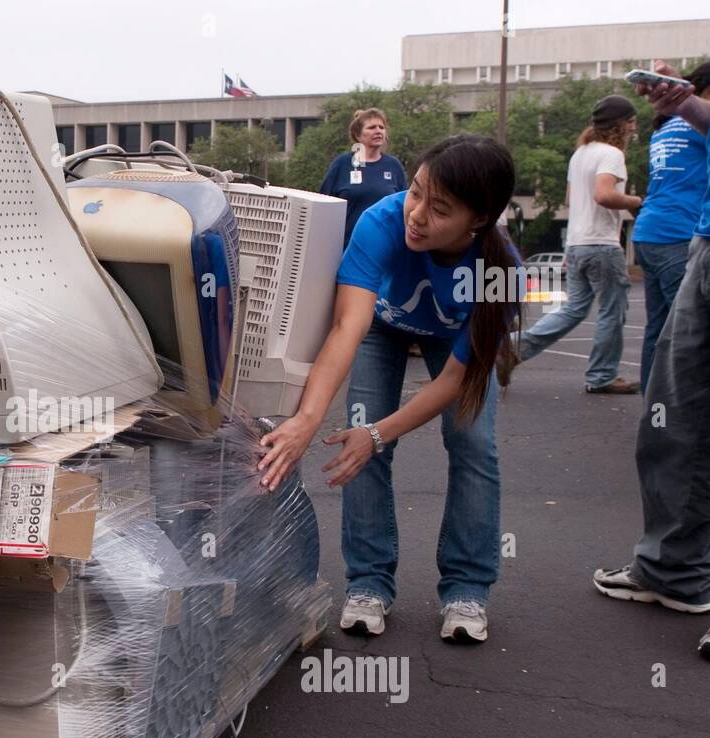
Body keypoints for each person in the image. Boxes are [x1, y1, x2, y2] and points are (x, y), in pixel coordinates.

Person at [260, 134, 521, 645]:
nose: (417, 215)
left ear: (479, 219)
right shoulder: (382, 220)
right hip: (384, 325)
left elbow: (452, 383)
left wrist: (378, 434)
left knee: (473, 445)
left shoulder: (500, 271)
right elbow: (347, 329)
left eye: (439, 208)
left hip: (456, 338)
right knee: (356, 438)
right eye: (417, 192)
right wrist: (308, 421)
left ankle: (467, 587)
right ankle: (368, 582)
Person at [593, 61, 710, 656]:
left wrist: (687, 104)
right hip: (701, 245)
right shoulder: (677, 128)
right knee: (672, 415)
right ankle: (673, 572)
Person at [510, 95, 643, 394]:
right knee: (612, 310)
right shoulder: (611, 154)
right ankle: (602, 375)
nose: (635, 128)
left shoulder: (580, 154)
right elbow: (604, 195)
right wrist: (637, 201)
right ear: (620, 124)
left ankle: (512, 348)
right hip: (601, 244)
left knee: (573, 309)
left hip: (578, 243)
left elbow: (572, 200)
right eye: (632, 122)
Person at [631, 63, 710, 392]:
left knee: (659, 329)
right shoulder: (698, 126)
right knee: (687, 338)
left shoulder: (665, 127)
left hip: (648, 232)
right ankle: (675, 412)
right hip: (679, 231)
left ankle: (654, 410)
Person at [319, 108, 408, 249]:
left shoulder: (393, 165)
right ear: (358, 135)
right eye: (372, 127)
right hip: (347, 248)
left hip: (385, 249)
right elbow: (323, 206)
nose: (378, 131)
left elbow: (404, 207)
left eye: (382, 127)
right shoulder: (342, 164)